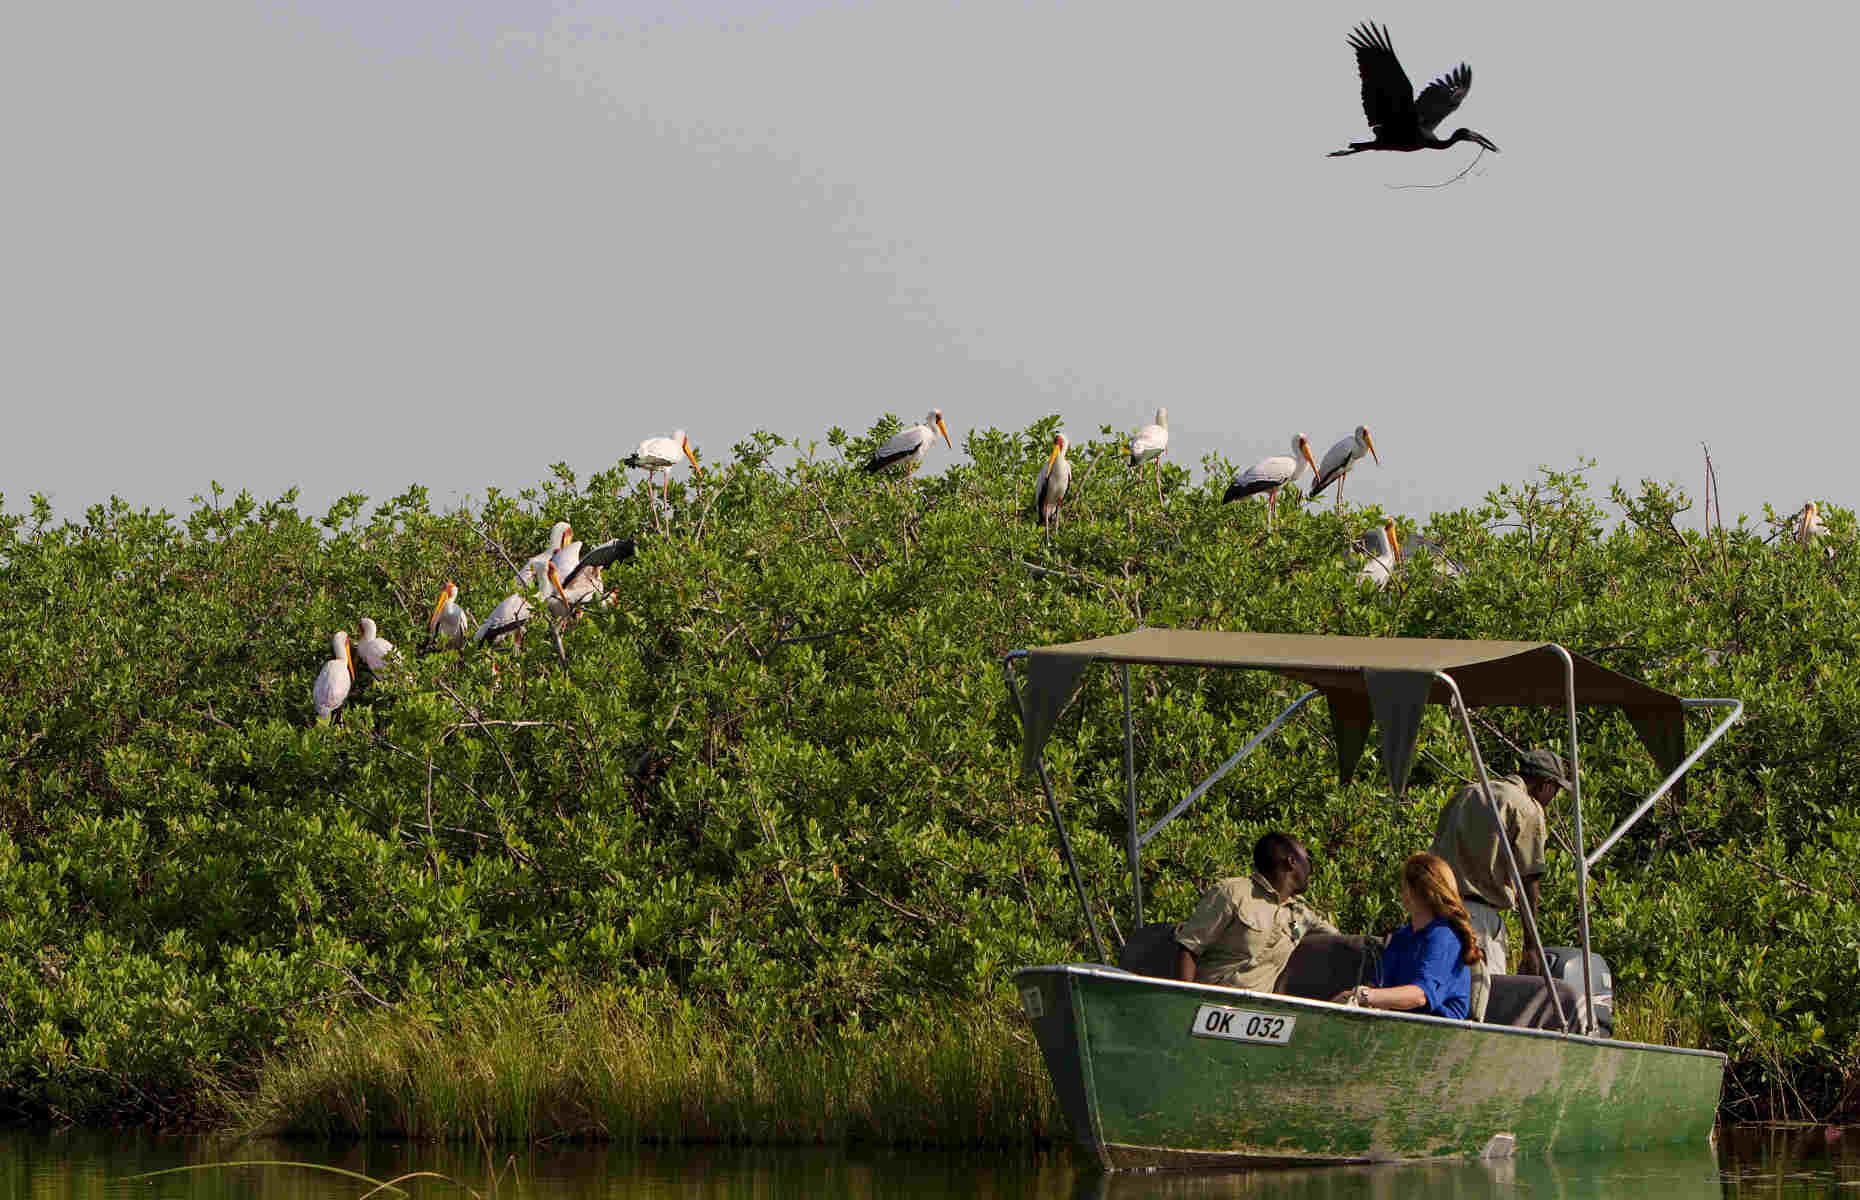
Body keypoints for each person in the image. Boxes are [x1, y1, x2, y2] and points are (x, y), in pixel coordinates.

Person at [1429, 747, 1570, 1021]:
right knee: (1482, 1009)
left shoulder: (1465, 793)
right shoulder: (1526, 807)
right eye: (1556, 791)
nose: (1553, 799)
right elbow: (1530, 879)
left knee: (1438, 1002)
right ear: (1545, 784)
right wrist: (1531, 948)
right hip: (1477, 920)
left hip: (1436, 912)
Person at [1175, 832, 1339, 991]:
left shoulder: (1301, 914)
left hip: (1254, 1011)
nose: (1311, 868)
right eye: (1308, 859)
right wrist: (1186, 1001)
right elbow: (1189, 948)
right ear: (1292, 861)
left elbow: (1341, 940)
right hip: (1209, 1003)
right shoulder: (1232, 892)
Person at [1332, 852, 1481, 1019]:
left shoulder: (1445, 937)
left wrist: (1363, 996)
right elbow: (1382, 988)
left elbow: (1419, 996)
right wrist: (1350, 998)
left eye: (1404, 886)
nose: (1401, 892)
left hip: (1436, 1036)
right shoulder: (1403, 936)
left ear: (1416, 892)